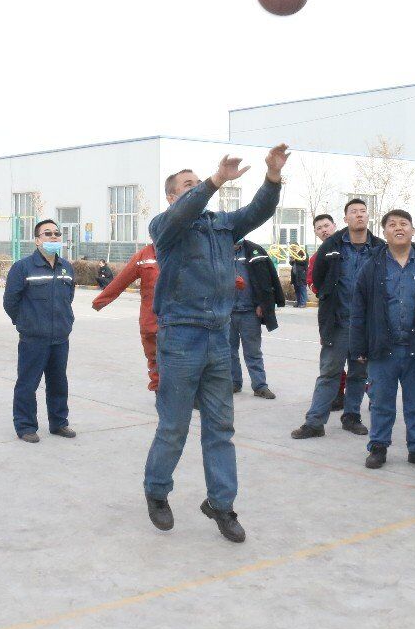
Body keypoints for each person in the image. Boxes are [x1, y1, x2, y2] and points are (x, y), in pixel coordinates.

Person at [143, 145, 290, 544]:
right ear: (172, 196)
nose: (196, 188)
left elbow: (258, 211)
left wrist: (272, 176)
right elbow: (183, 213)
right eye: (187, 185)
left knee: (221, 427)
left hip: (218, 337)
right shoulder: (165, 227)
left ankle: (221, 504)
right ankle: (157, 490)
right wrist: (213, 181)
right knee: (174, 425)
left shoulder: (222, 225)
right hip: (181, 337)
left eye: (198, 183)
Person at [349, 209, 415, 470]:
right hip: (383, 347)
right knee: (380, 402)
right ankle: (378, 447)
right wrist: (358, 346)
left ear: (412, 230)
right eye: (392, 224)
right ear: (384, 232)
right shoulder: (371, 265)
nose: (398, 228)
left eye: (404, 223)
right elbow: (359, 309)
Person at [292, 199, 383, 441]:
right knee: (329, 373)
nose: (359, 215)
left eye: (363, 211)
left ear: (368, 217)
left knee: (359, 373)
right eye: (354, 212)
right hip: (338, 323)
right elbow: (318, 278)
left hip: (366, 326)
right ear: (345, 219)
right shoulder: (332, 245)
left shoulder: (379, 248)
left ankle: (351, 417)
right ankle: (314, 423)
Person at [2, 219, 76, 443]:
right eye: (48, 233)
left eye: (57, 233)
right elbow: (10, 302)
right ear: (37, 240)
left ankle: (59, 422)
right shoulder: (23, 267)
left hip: (60, 337)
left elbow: (68, 298)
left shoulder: (66, 268)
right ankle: (25, 426)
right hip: (33, 338)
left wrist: (65, 321)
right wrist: (26, 323)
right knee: (28, 383)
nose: (54, 237)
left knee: (58, 382)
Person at [92, 243, 159, 392]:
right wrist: (100, 301)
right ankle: (159, 392)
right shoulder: (144, 256)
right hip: (150, 320)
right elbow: (121, 280)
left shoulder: (183, 250)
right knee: (154, 359)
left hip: (179, 321)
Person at [229, 238, 285, 399]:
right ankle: (234, 383)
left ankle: (260, 386)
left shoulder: (255, 251)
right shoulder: (220, 249)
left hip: (250, 312)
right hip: (227, 312)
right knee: (228, 351)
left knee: (253, 352)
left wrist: (263, 304)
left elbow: (266, 279)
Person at [310, 213, 347, 408]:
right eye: (319, 228)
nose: (324, 230)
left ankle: (372, 396)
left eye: (326, 226)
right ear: (316, 233)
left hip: (359, 316)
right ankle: (337, 395)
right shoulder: (316, 257)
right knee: (332, 362)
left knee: (364, 361)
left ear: (334, 225)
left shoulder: (351, 248)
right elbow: (313, 283)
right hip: (333, 317)